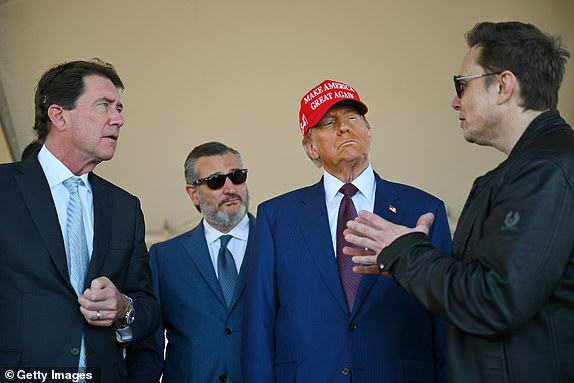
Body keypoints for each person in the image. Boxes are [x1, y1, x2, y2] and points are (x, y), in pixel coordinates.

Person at [345, 21, 573, 383]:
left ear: (503, 85)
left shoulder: (545, 171)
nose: (454, 100)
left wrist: (404, 252)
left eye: (461, 85)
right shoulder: (526, 170)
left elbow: (494, 299)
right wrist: (409, 252)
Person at [242, 79, 452, 382]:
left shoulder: (424, 210)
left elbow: (445, 318)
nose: (343, 127)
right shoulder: (276, 217)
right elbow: (258, 324)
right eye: (328, 122)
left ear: (369, 132)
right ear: (311, 148)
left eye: (352, 118)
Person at [0, 59, 160, 382]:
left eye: (119, 108)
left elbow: (146, 306)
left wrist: (122, 306)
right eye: (104, 106)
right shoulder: (5, 189)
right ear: (59, 115)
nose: (119, 119)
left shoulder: (125, 207)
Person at [127, 141, 254, 383]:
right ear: (193, 193)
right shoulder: (165, 258)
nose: (230, 188)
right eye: (216, 181)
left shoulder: (276, 244)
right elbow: (147, 345)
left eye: (237, 177)